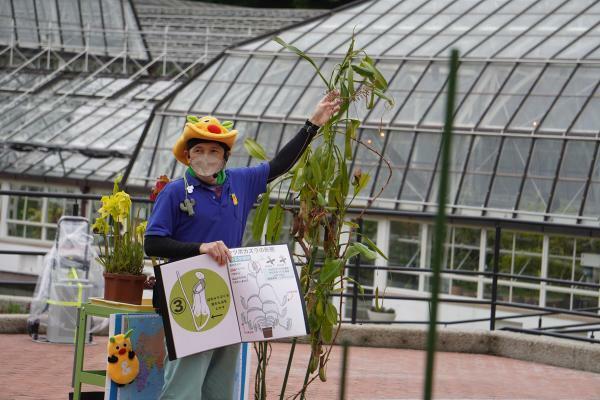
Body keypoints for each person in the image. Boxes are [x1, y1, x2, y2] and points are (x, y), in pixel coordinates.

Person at [144, 91, 341, 399]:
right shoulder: (174, 192)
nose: (206, 157)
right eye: (198, 150)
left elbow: (279, 165)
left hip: (228, 298)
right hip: (186, 298)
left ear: (225, 157)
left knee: (219, 387)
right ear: (187, 155)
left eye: (213, 151)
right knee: (184, 387)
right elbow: (152, 243)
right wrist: (200, 248)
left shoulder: (239, 182)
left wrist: (312, 123)